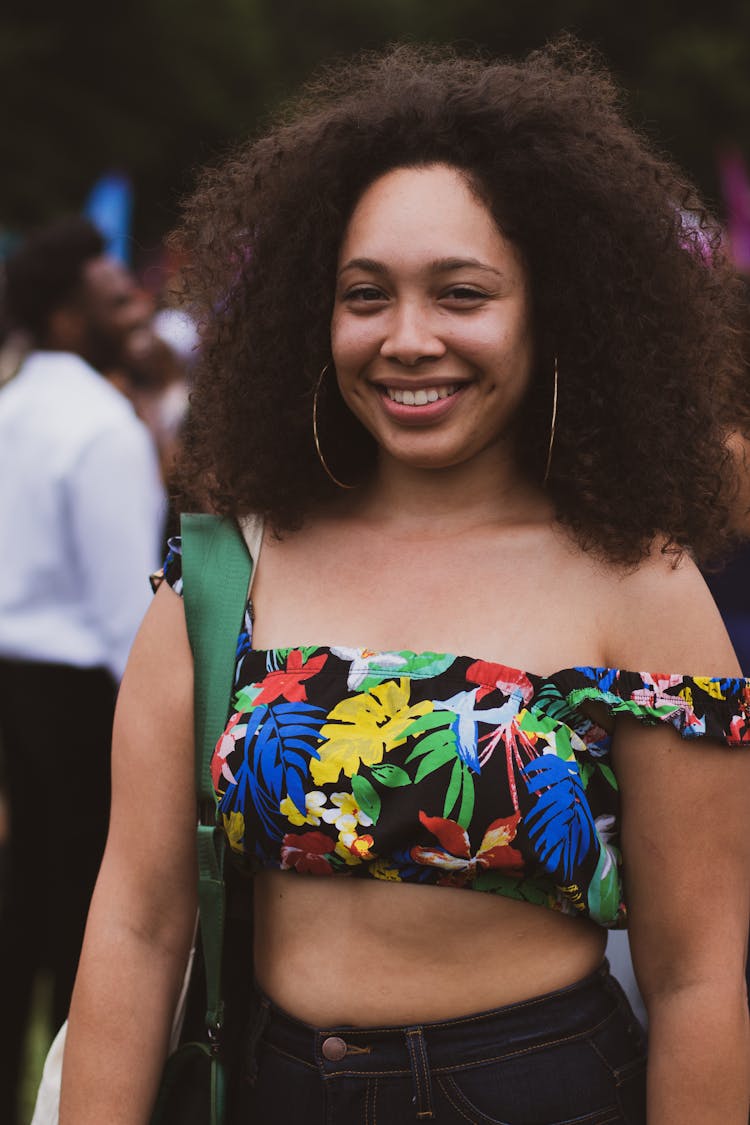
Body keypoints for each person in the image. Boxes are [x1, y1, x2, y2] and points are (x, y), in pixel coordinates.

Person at [60, 41, 750, 1125]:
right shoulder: (220, 573)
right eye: (365, 295)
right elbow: (138, 924)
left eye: (463, 294)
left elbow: (698, 977)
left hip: (547, 1093)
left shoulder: (642, 583)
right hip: (273, 1089)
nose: (408, 340)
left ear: (552, 314)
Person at [0, 217, 166, 1125]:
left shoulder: (12, 402)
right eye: (115, 300)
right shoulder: (102, 425)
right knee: (85, 913)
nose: (137, 310)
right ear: (69, 319)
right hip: (78, 696)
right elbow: (125, 612)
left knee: (17, 910)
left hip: (13, 681)